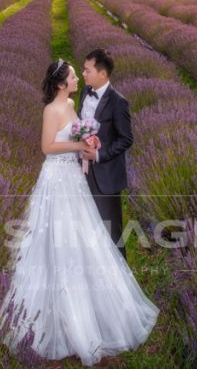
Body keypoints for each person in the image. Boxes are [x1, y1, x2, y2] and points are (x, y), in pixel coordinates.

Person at [0, 58, 158, 366]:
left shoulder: (73, 102)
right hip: (57, 180)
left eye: (80, 73)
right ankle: (55, 317)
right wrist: (77, 146)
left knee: (84, 239)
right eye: (72, 75)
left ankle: (90, 310)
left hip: (74, 178)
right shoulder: (51, 110)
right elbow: (46, 147)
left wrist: (89, 141)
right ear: (60, 83)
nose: (77, 79)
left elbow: (83, 133)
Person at [77, 48, 133, 260]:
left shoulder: (119, 102)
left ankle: (122, 285)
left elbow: (126, 139)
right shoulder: (84, 93)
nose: (83, 73)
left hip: (106, 176)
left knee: (112, 232)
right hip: (81, 172)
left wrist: (99, 156)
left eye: (87, 70)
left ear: (102, 73)